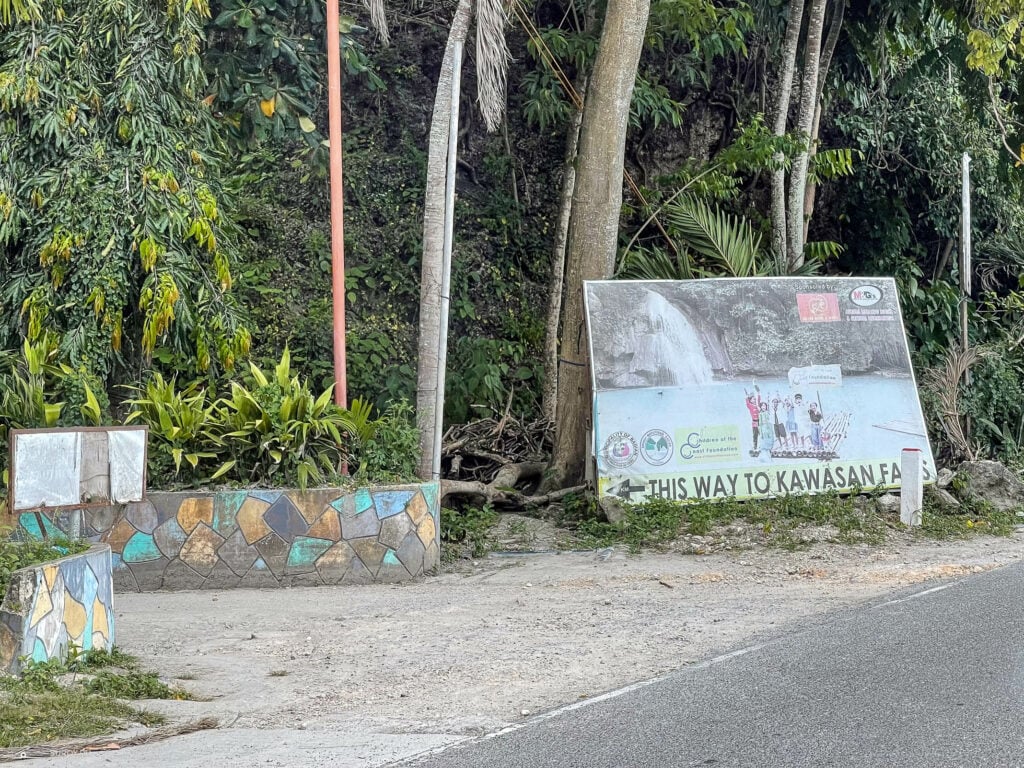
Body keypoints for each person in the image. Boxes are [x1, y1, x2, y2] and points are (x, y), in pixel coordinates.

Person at [744, 385, 761, 455]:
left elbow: (759, 396)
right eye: (753, 399)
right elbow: (747, 401)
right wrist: (747, 395)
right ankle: (755, 447)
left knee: (762, 434)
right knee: (755, 435)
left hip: (760, 422)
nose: (755, 400)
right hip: (754, 422)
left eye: (755, 399)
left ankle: (763, 446)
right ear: (751, 400)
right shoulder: (750, 406)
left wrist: (757, 390)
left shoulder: (758, 405)